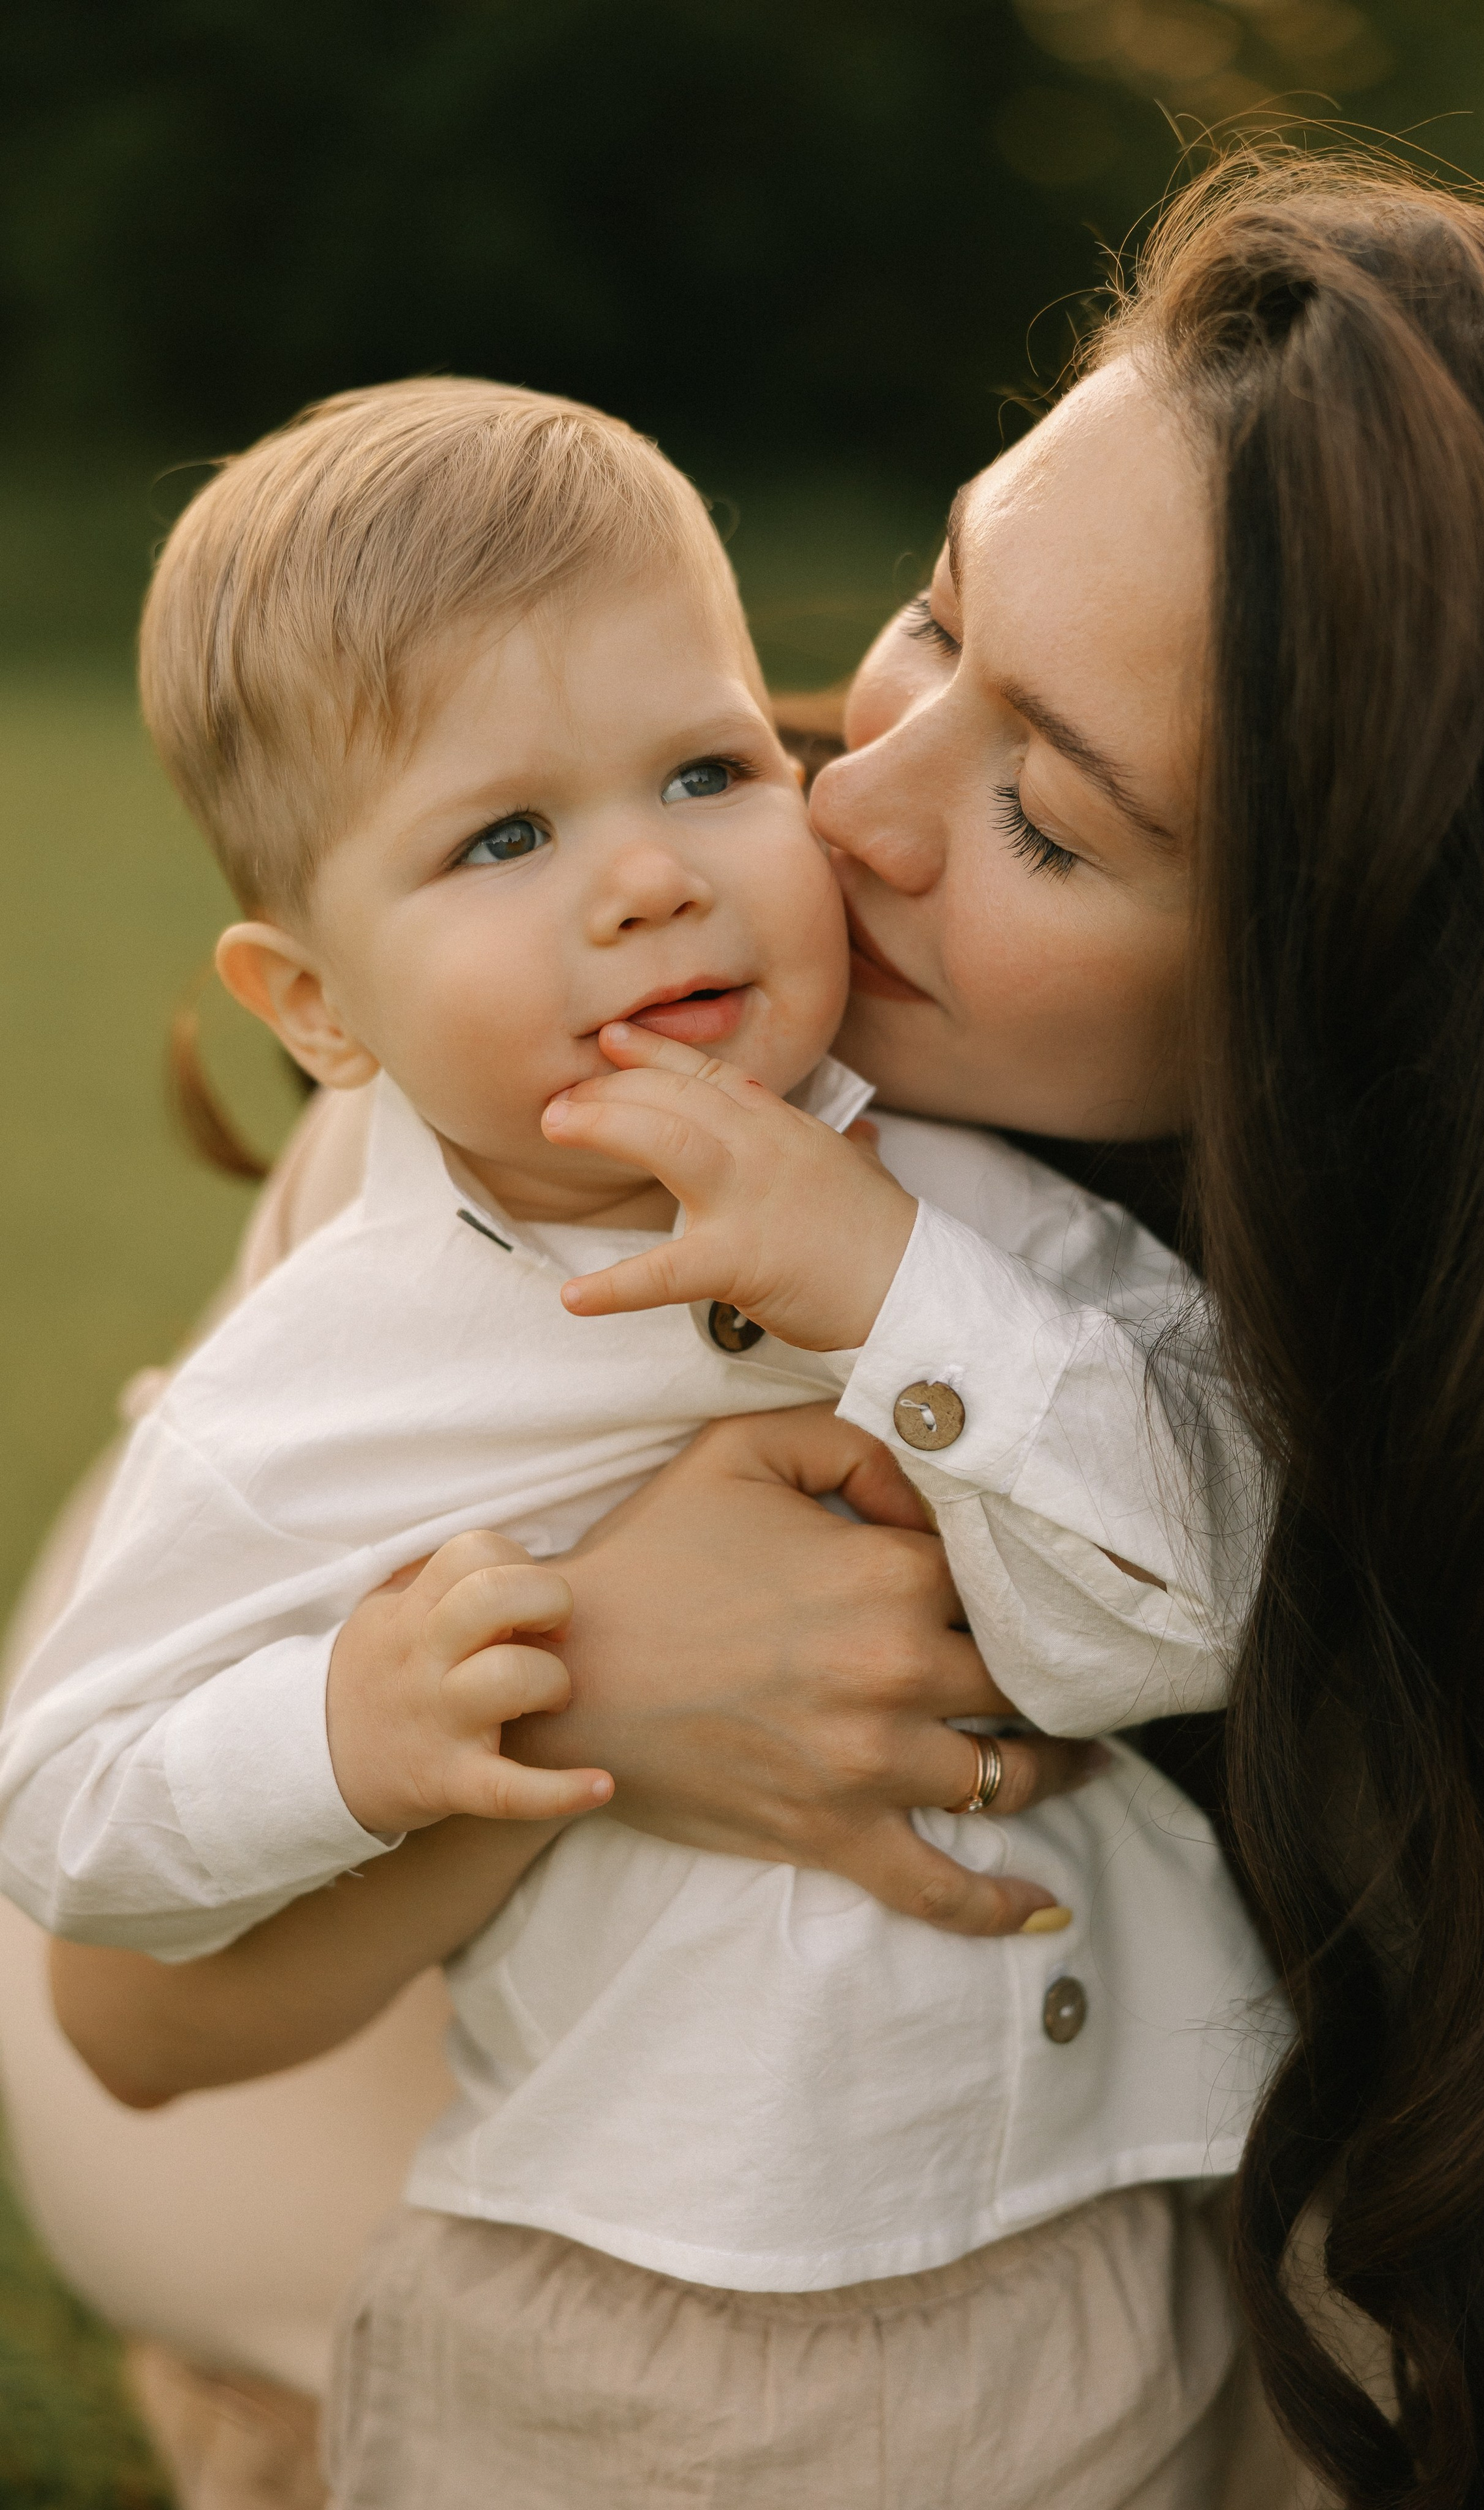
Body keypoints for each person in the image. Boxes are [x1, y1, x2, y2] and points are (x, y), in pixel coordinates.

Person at [2, 374, 1281, 2509]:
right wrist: (441, 1704)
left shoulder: (990, 1240)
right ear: (315, 1003)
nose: (671, 876)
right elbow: (93, 1905)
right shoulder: (377, 1300)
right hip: (486, 2246)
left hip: (1043, 2272)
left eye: (706, 772)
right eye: (930, 627)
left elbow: (1209, 1574)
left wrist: (889, 1287)